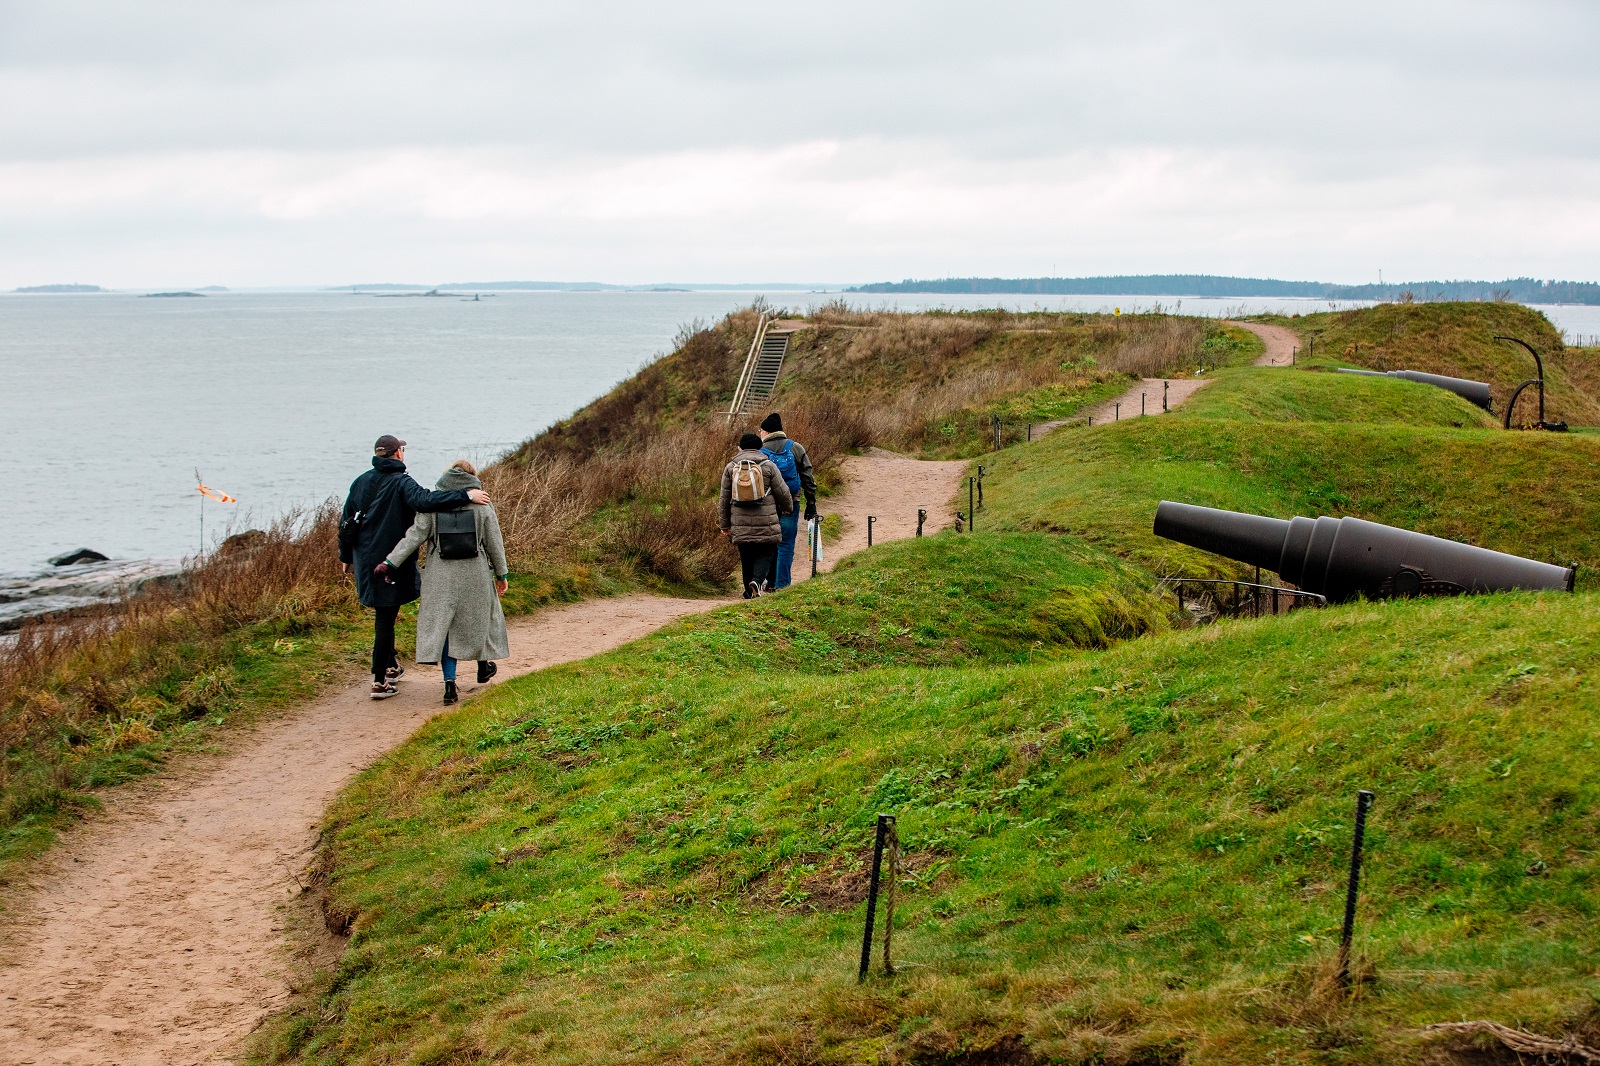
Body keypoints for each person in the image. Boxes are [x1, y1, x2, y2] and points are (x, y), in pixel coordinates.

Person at [339, 435, 489, 699]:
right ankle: (379, 681)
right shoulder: (401, 482)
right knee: (385, 619)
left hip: (364, 559)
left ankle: (391, 666)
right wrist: (467, 494)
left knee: (385, 614)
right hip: (390, 562)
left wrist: (345, 557)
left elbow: (346, 520)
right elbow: (426, 502)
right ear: (398, 454)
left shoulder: (361, 481)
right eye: (402, 450)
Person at [377, 460, 510, 706]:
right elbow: (494, 543)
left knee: (446, 627)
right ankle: (483, 667)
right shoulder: (482, 504)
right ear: (472, 479)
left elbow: (413, 537)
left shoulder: (432, 506)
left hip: (440, 576)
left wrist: (390, 562)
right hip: (476, 574)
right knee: (480, 620)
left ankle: (450, 685)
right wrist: (501, 574)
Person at [718, 432, 794, 598]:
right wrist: (788, 507)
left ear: (740, 448)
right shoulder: (768, 466)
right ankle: (757, 582)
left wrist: (724, 525)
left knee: (746, 556)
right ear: (760, 447)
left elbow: (724, 498)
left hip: (740, 521)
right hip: (766, 520)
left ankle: (748, 591)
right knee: (766, 553)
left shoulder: (731, 467)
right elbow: (782, 491)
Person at [757, 412, 818, 589]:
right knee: (786, 544)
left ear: (766, 432)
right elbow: (808, 478)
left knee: (769, 543)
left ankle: (770, 582)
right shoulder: (796, 448)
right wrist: (811, 504)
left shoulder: (759, 452)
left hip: (766, 505)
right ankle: (782, 584)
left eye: (760, 430)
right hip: (791, 503)